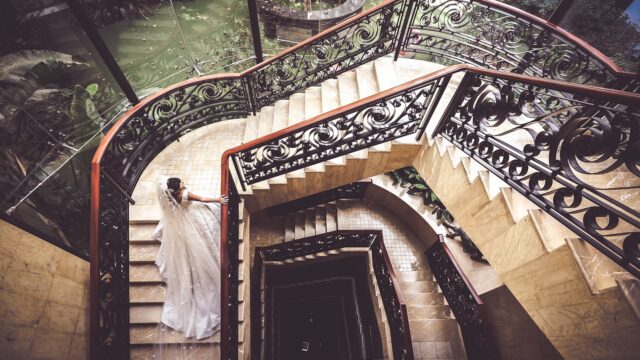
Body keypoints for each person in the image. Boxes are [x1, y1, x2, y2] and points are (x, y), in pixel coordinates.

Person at [153, 176, 228, 340]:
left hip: (186, 221)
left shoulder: (172, 199)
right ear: (178, 189)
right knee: (209, 240)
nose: (184, 185)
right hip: (196, 218)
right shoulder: (186, 195)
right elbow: (202, 199)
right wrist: (218, 199)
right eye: (181, 185)